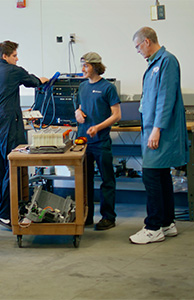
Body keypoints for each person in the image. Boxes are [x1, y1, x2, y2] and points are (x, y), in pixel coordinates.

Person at [129, 27, 189, 244]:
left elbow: (166, 98)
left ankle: (153, 226)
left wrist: (157, 128)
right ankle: (167, 222)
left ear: (146, 41)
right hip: (152, 128)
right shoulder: (154, 63)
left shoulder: (167, 61)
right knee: (162, 176)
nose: (137, 51)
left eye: (137, 46)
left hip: (159, 130)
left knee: (151, 175)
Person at [0, 40, 48, 229]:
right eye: (15, 55)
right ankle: (6, 214)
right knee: (14, 166)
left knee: (0, 170)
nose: (17, 59)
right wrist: (42, 80)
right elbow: (33, 82)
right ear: (5, 56)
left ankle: (6, 211)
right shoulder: (12, 70)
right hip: (9, 124)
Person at [75, 52, 121, 231]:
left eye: (86, 66)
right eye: (82, 66)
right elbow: (80, 107)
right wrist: (77, 113)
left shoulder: (108, 88)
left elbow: (116, 115)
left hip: (100, 142)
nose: (83, 69)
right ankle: (86, 216)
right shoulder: (83, 87)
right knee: (84, 181)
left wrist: (98, 127)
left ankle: (108, 217)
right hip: (83, 143)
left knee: (107, 180)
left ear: (95, 66)